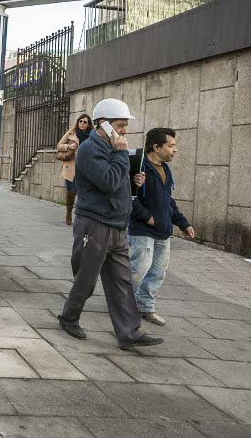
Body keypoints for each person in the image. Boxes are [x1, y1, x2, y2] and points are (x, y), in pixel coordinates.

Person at [57, 98, 163, 349]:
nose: (124, 130)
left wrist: (132, 181)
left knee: (122, 282)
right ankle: (69, 317)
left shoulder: (111, 148)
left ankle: (129, 333)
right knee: (86, 278)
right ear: (103, 123)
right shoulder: (89, 149)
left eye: (125, 125)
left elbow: (116, 181)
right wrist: (121, 155)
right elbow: (108, 182)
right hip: (94, 224)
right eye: (120, 125)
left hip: (116, 225)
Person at [128, 128, 195, 326]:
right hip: (143, 230)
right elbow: (129, 197)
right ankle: (122, 304)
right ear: (156, 147)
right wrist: (149, 218)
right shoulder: (139, 166)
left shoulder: (165, 169)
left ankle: (146, 307)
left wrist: (183, 223)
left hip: (163, 231)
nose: (175, 150)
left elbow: (168, 201)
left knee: (157, 273)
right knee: (138, 270)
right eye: (171, 146)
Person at [55, 114, 93, 226]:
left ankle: (81, 216)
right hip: (71, 167)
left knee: (84, 193)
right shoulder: (71, 133)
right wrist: (69, 147)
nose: (82, 123)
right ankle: (68, 213)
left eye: (85, 122)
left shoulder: (92, 135)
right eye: (80, 121)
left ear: (88, 124)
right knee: (71, 192)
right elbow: (59, 146)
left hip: (86, 168)